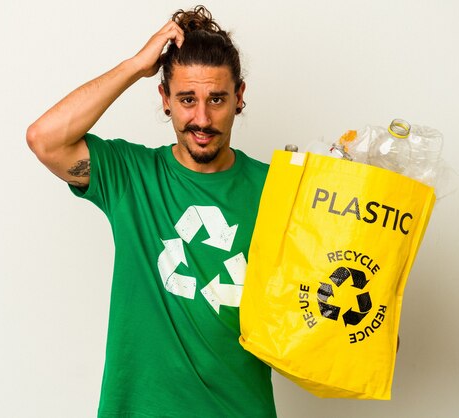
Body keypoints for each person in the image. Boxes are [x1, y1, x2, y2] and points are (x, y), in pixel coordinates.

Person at [26, 5, 277, 418]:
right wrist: (135, 66)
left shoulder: (276, 189)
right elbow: (45, 139)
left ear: (240, 97)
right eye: (186, 99)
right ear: (164, 99)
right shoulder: (130, 176)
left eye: (216, 99)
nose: (202, 118)